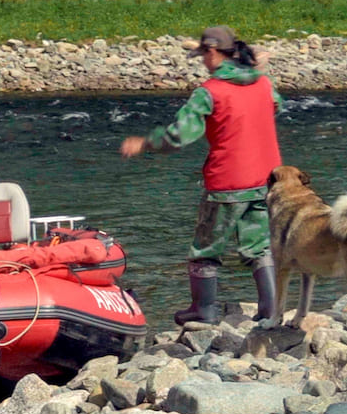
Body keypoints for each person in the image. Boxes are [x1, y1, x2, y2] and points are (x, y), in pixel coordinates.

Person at [121, 25, 283, 326]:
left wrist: (144, 142)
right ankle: (270, 309)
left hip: (227, 182)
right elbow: (275, 105)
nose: (202, 62)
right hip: (267, 179)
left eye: (203, 55)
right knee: (258, 245)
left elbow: (179, 137)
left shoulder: (209, 93)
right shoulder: (263, 83)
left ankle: (203, 309)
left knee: (206, 248)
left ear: (212, 53)